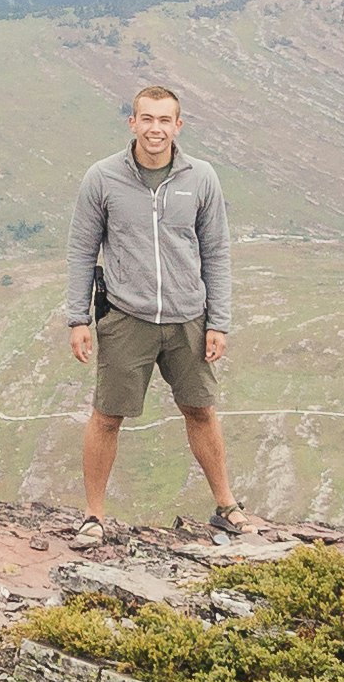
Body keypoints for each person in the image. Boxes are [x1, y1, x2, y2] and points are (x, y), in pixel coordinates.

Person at [66, 82, 238, 530]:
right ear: (132, 123)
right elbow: (82, 250)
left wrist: (219, 321)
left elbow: (216, 250)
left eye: (165, 120)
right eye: (147, 118)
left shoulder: (201, 177)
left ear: (178, 126)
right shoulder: (102, 178)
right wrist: (77, 318)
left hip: (189, 319)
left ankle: (226, 507)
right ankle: (93, 517)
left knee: (201, 410)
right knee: (107, 416)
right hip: (127, 318)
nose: (155, 129)